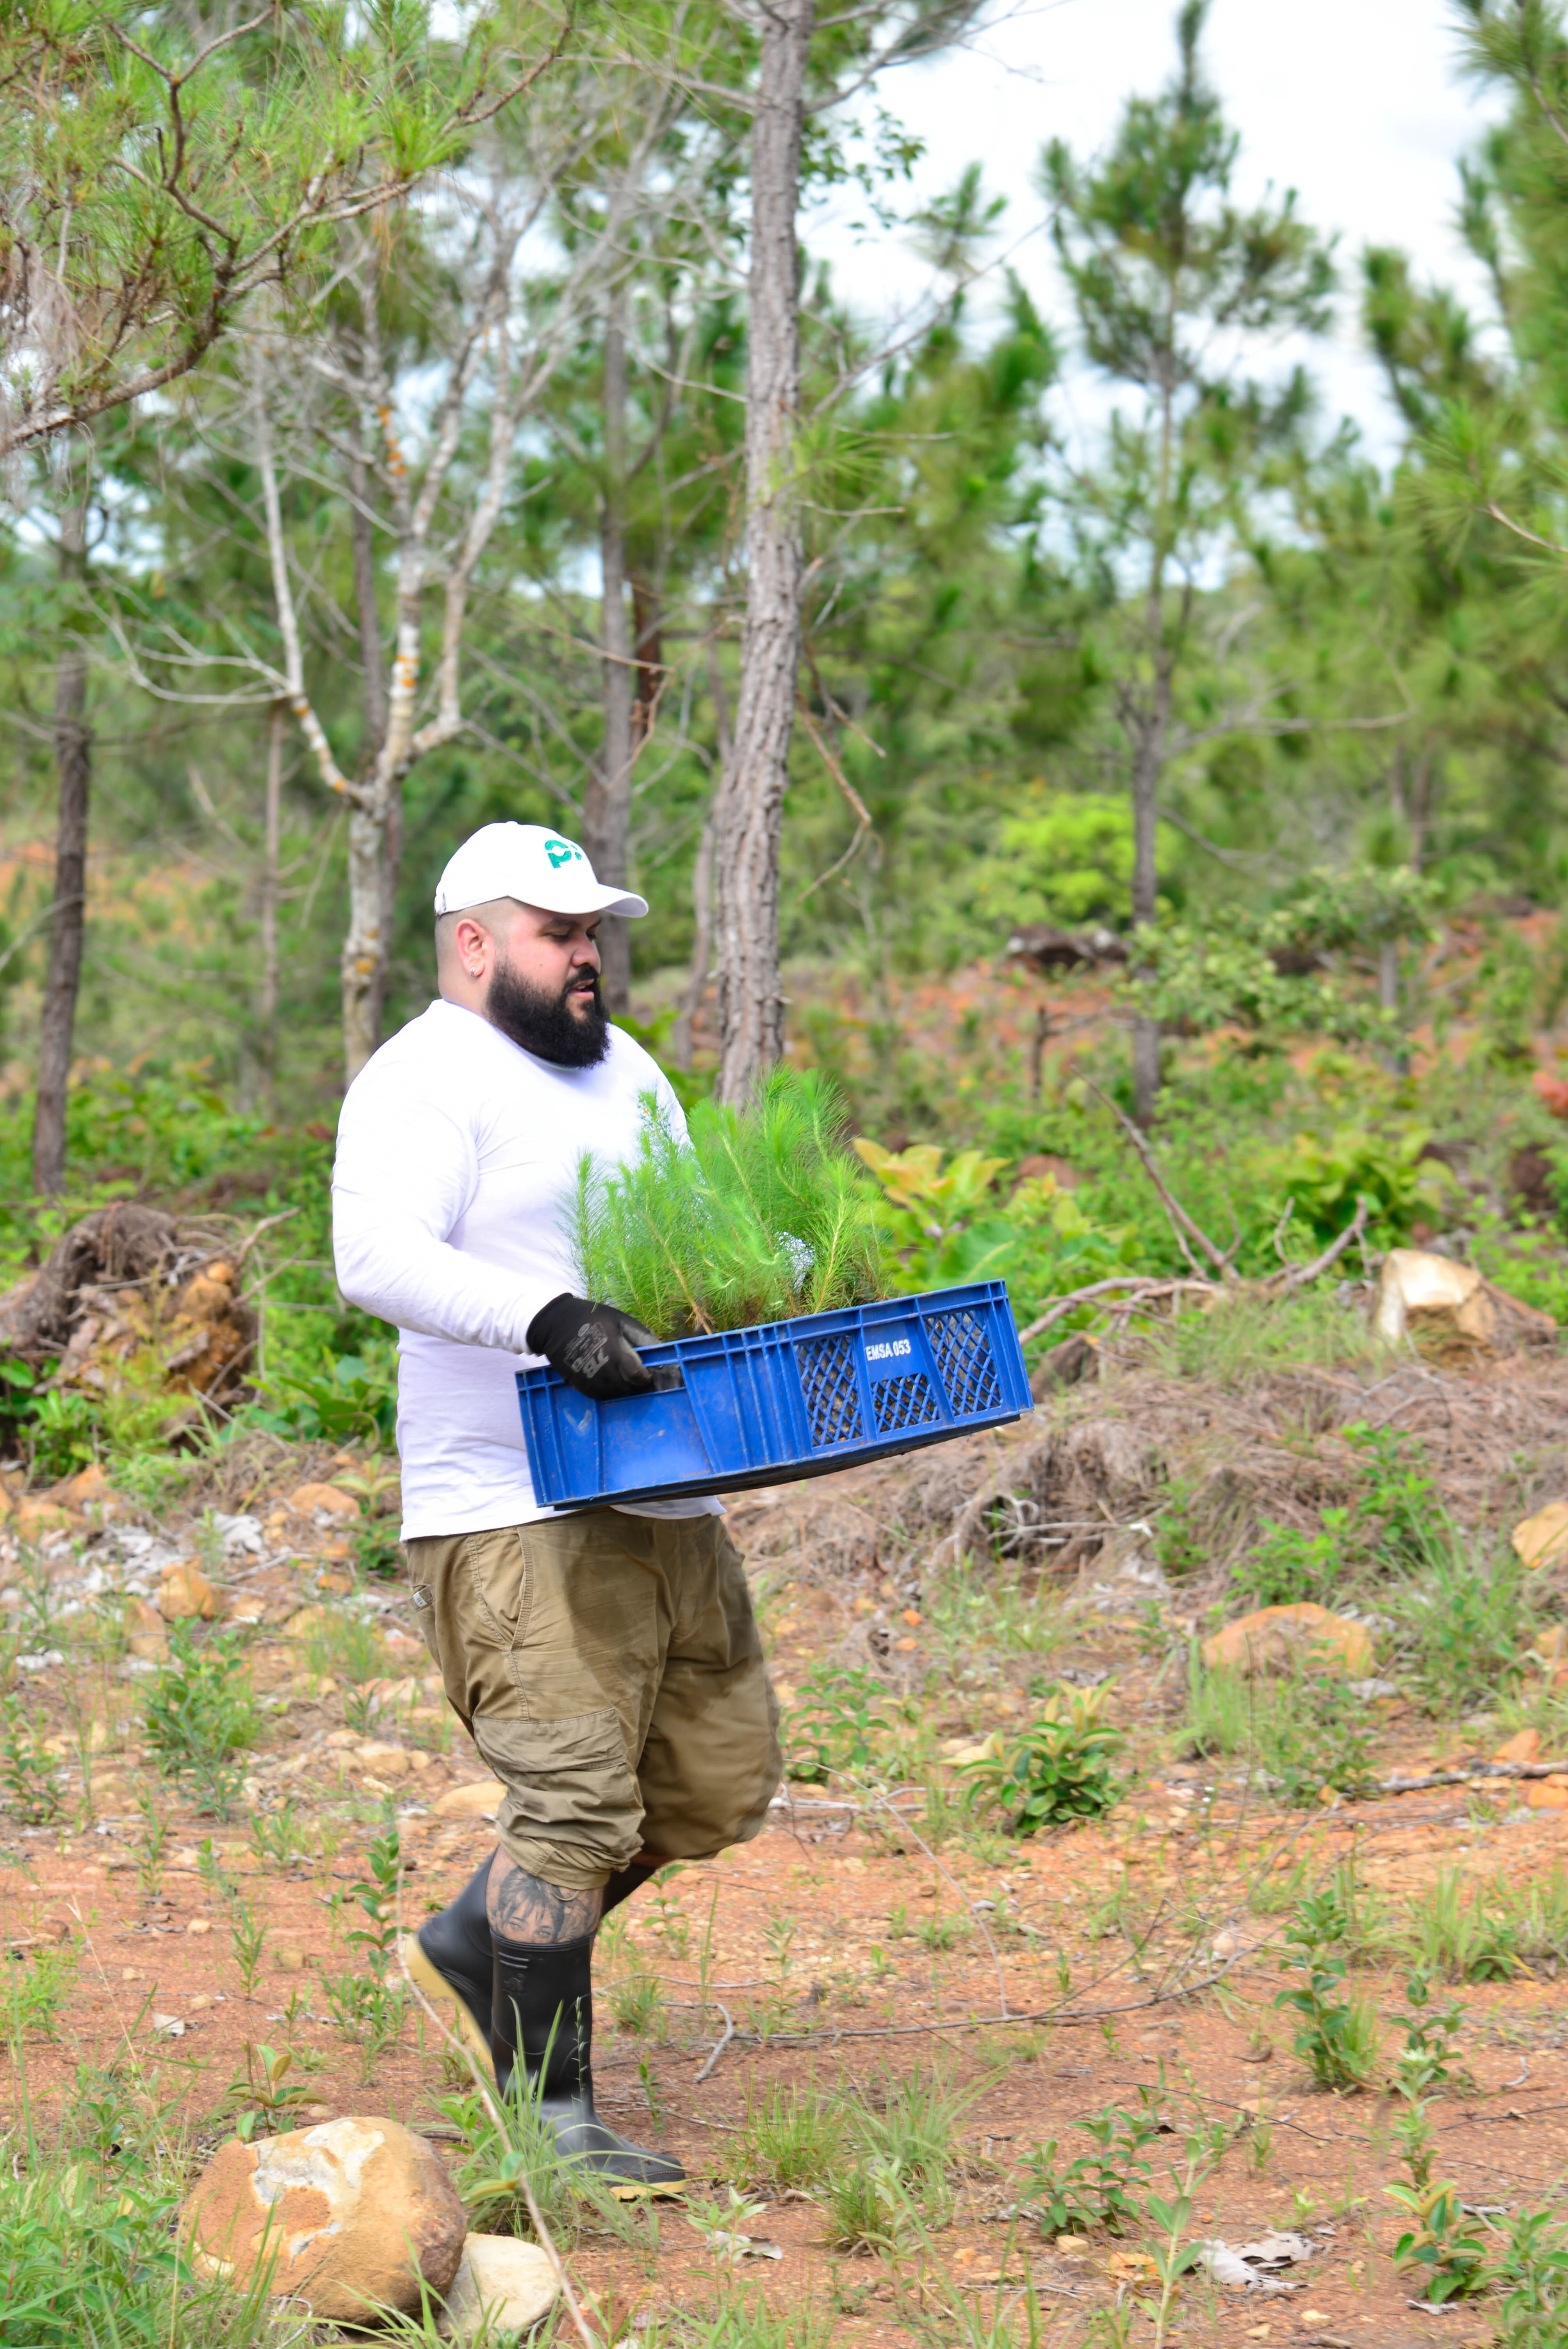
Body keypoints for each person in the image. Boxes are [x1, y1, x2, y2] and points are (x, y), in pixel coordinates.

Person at [331, 821, 782, 2192]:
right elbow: (373, 1257)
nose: (587, 957)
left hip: (660, 1491)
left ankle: (482, 1940)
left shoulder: (625, 1067)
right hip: (511, 1507)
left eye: (593, 933)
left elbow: (686, 1235)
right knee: (576, 1807)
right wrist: (546, 1317)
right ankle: (553, 2115)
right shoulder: (424, 1077)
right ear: (475, 944)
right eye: (557, 932)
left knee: (716, 1783)